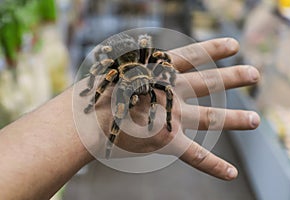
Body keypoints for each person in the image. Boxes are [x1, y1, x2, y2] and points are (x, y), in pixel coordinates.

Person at [0, 37, 260, 200]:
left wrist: (167, 116)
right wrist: (93, 106)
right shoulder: (116, 74)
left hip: (137, 63)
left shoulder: (151, 73)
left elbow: (162, 77)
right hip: (123, 66)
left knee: (164, 91)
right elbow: (105, 78)